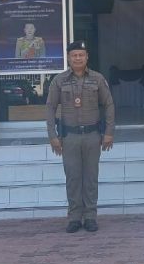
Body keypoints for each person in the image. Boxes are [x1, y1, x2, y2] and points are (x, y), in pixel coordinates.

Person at [45, 40, 115, 233]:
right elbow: (50, 108)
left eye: (81, 55)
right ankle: (75, 217)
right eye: (74, 55)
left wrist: (109, 132)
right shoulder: (59, 81)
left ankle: (90, 216)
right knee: (73, 178)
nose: (78, 58)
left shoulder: (97, 79)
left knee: (91, 178)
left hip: (93, 135)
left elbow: (109, 105)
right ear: (68, 58)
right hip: (70, 137)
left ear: (87, 57)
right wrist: (52, 135)